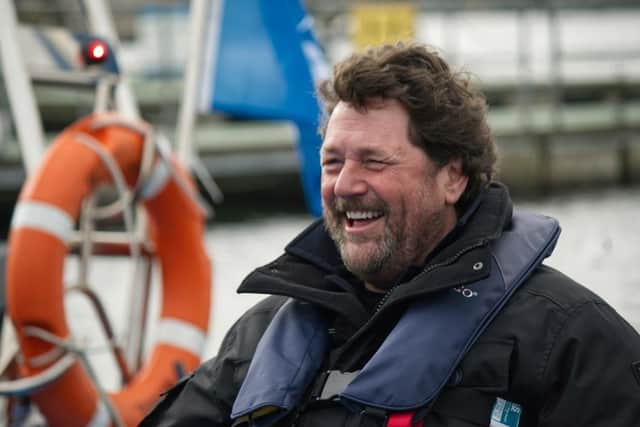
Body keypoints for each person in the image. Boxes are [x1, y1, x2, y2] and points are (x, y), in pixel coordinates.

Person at [141, 43, 640, 427]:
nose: (345, 184)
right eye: (332, 161)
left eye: (374, 161)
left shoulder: (568, 341)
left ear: (453, 177)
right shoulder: (262, 334)